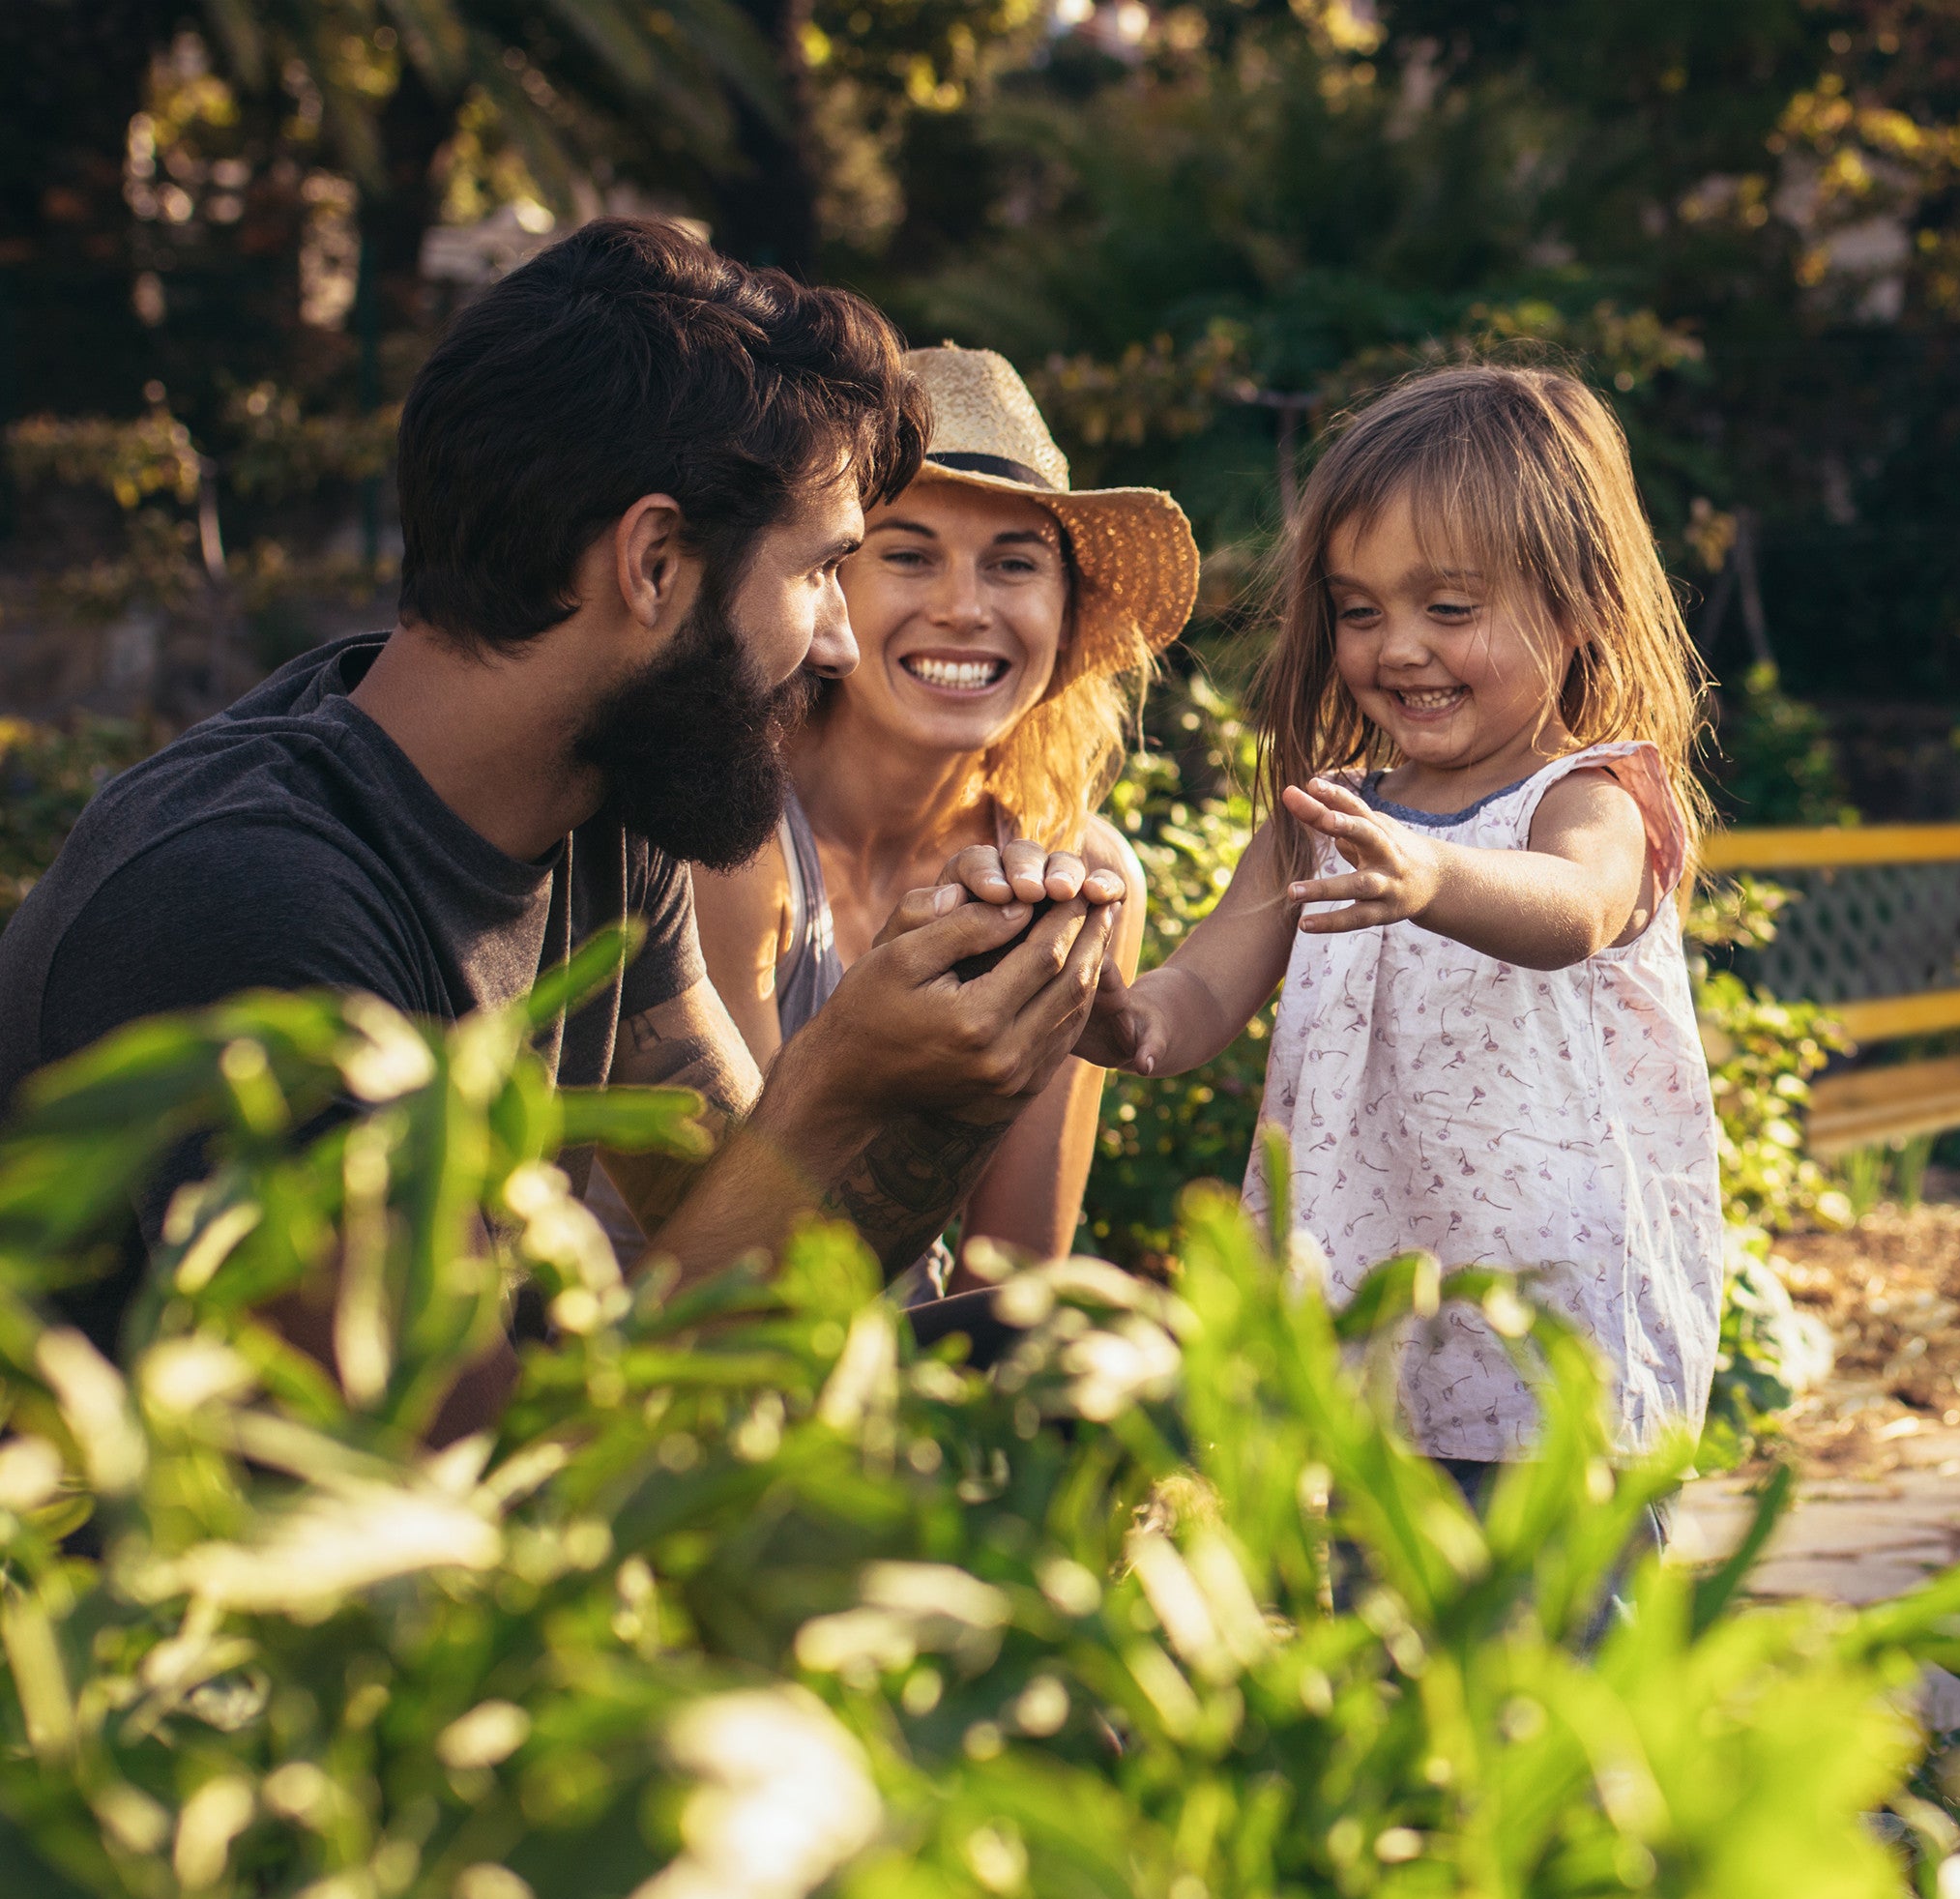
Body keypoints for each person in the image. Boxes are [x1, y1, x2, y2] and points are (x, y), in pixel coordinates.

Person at [0, 220, 1121, 1395]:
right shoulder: (250, 908)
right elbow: (469, 1505)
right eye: (815, 572)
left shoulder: (603, 797)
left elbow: (760, 1270)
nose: (840, 641)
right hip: (197, 1559)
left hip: (494, 1501)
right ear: (651, 563)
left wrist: (938, 1085)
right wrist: (839, 1078)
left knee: (1070, 1361)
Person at [1077, 363, 1724, 1488]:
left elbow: (1573, 909)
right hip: (1370, 1341)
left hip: (1552, 1341)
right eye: (1359, 610)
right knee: (1390, 1644)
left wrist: (1433, 874)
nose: (1398, 647)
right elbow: (1191, 1003)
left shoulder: (1592, 795)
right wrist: (1101, 1014)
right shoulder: (1324, 821)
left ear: (1575, 611)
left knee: (1553, 1645)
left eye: (1450, 609)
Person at [687, 346, 1195, 1292]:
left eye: (1013, 565)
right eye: (910, 556)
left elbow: (1007, 1278)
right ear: (829, 584)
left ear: (1068, 610)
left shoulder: (1076, 873)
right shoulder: (730, 833)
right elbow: (733, 1248)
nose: (966, 609)